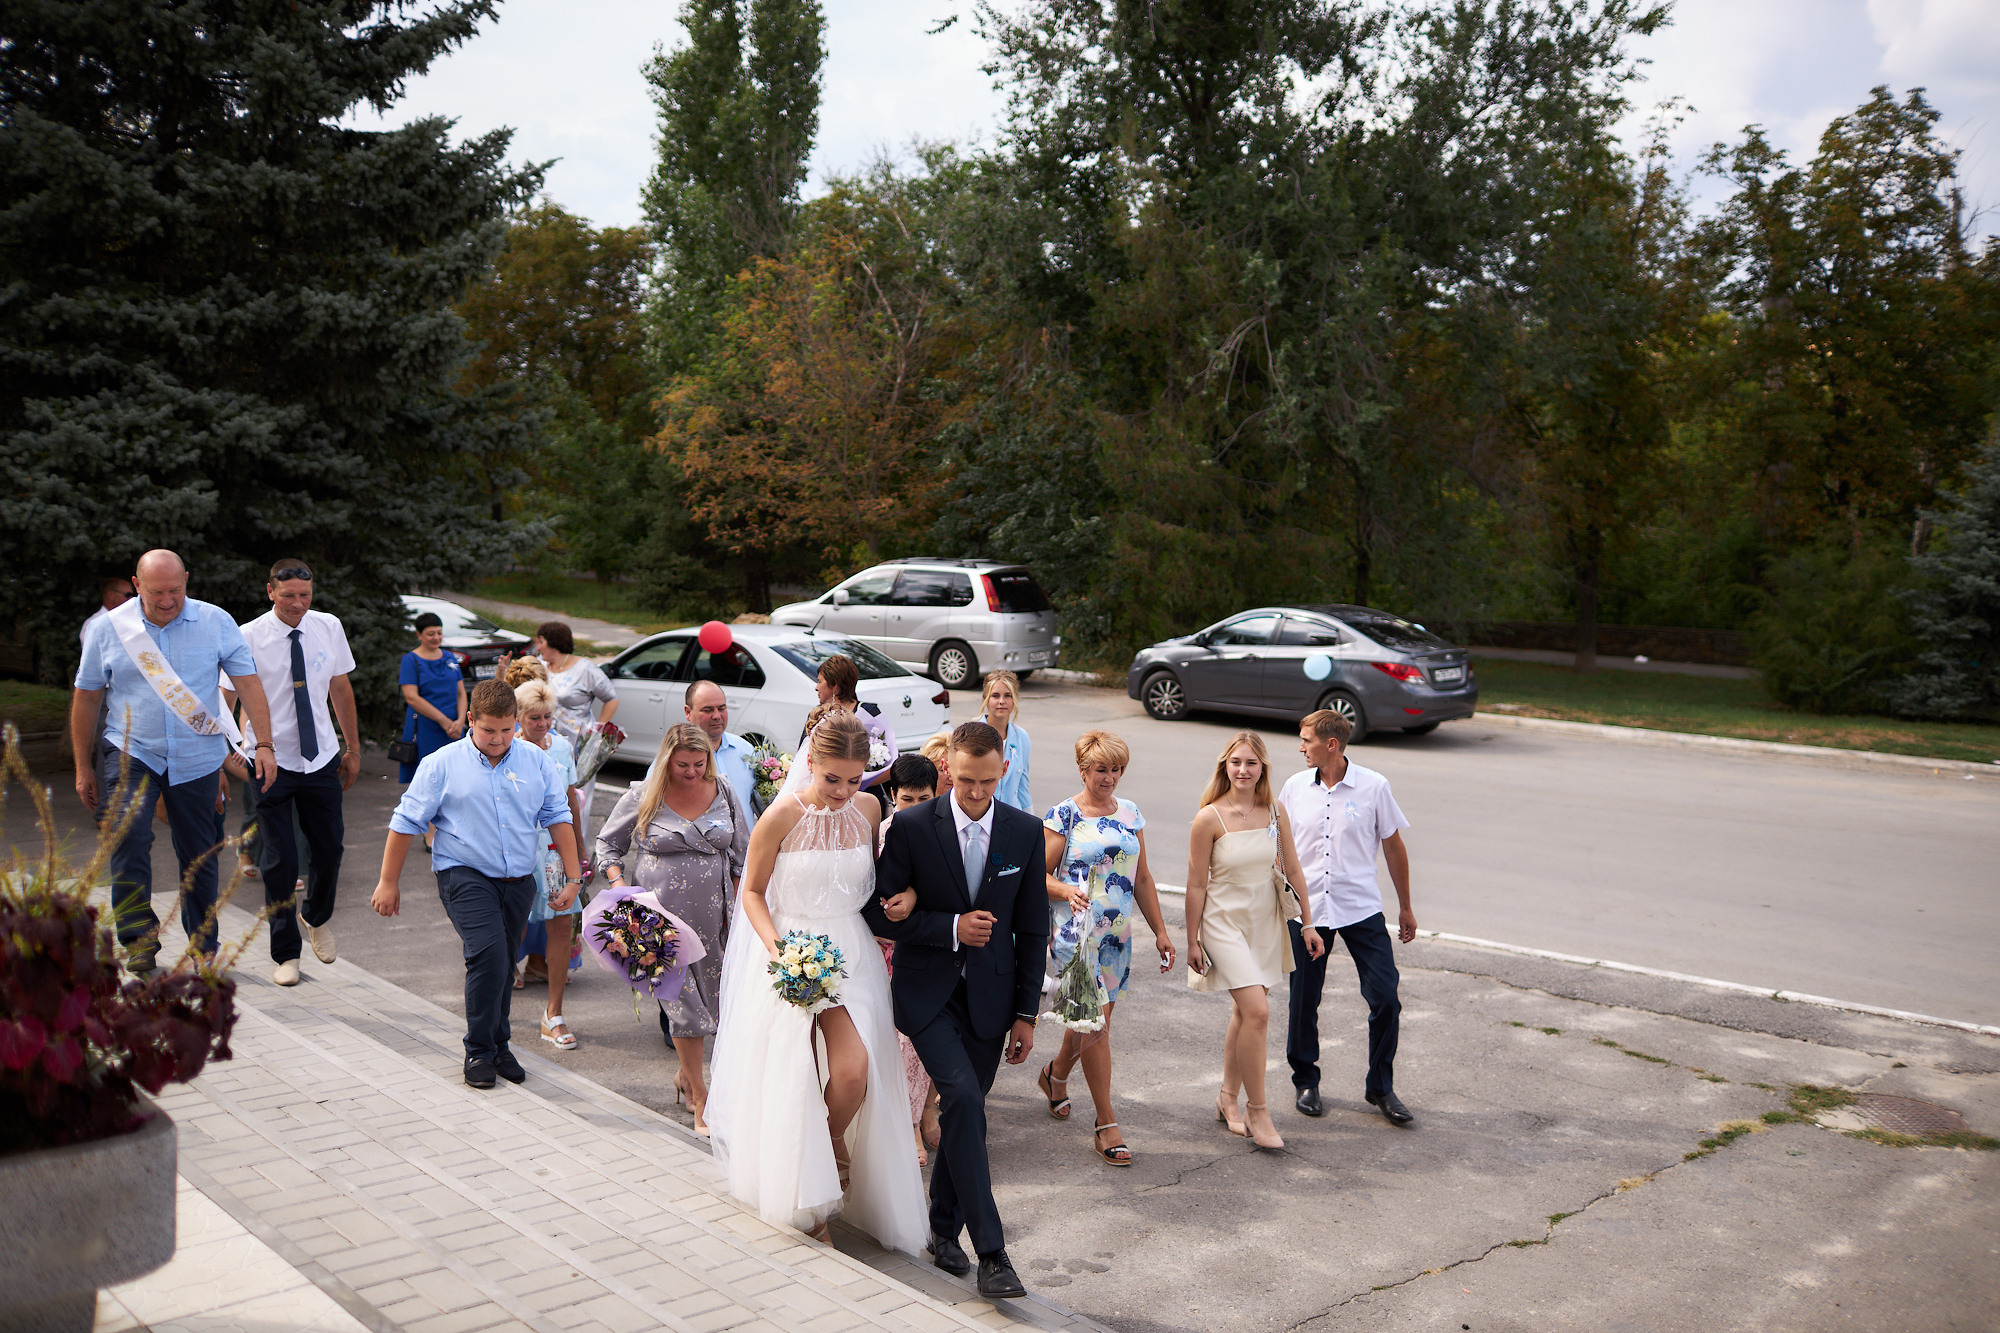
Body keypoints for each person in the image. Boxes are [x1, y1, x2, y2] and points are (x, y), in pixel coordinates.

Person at [706, 714, 928, 1254]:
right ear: (811, 763)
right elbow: (753, 893)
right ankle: (808, 1204)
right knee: (795, 1076)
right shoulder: (781, 815)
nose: (843, 792)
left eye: (855, 780)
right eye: (833, 779)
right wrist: (780, 951)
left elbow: (892, 881)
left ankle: (829, 1147)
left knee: (854, 1070)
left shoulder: (871, 810)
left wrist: (912, 898)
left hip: (852, 951)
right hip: (791, 952)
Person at [864, 721, 1047, 1300]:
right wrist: (949, 928)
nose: (975, 793)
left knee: (966, 1111)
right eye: (966, 780)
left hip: (993, 1004)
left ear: (1004, 772)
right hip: (925, 996)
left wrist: (1026, 1013)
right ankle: (993, 1253)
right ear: (950, 771)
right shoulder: (915, 826)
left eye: (987, 782)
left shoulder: (1023, 831)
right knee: (963, 1099)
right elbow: (878, 913)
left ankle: (942, 1231)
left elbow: (1032, 927)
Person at [70, 551, 276, 972]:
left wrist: (265, 745)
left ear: (187, 579)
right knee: (128, 839)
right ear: (136, 584)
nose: (167, 600)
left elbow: (248, 683)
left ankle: (203, 944)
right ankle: (138, 940)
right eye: (156, 592)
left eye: (175, 590)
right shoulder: (109, 629)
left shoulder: (215, 621)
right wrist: (82, 765)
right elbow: (88, 696)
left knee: (199, 852)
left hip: (197, 755)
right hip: (131, 749)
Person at [371, 680, 581, 1089]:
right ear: (471, 720)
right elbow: (404, 823)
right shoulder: (441, 764)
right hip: (463, 873)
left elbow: (559, 816)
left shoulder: (535, 762)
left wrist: (573, 878)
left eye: (507, 729)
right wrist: (387, 882)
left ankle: (500, 1046)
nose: (499, 739)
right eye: (489, 730)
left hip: (519, 879)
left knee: (503, 963)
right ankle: (479, 1051)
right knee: (488, 955)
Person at [597, 724, 751, 1135]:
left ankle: (687, 1077)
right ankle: (702, 1096)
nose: (692, 772)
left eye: (700, 764)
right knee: (685, 1011)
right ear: (667, 760)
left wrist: (740, 909)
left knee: (716, 1008)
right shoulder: (643, 794)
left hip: (715, 919)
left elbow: (742, 855)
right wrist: (618, 887)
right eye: (683, 764)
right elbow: (608, 845)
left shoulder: (724, 790)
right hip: (658, 924)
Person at [1036, 730, 1173, 1166]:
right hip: (1076, 937)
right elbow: (1035, 877)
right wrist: (1063, 890)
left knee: (1091, 1022)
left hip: (1117, 937)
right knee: (1095, 1026)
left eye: (1116, 769)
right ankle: (1106, 1122)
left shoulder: (1131, 813)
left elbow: (1144, 879)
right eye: (1101, 769)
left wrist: (1161, 932)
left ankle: (1055, 1075)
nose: (1109, 777)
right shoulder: (1064, 815)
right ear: (1083, 770)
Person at [1185, 730, 1325, 1151]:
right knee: (1259, 1012)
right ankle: (1258, 1110)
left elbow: (1295, 872)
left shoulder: (1274, 811)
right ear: (1224, 766)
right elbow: (1195, 886)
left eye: (1251, 762)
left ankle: (1227, 1096)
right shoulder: (1209, 817)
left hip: (1264, 921)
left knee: (1245, 1014)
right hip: (1223, 923)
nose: (1243, 770)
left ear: (1262, 767)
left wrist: (1308, 924)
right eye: (1235, 762)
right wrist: (1191, 940)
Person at [1280, 709, 1418, 1126]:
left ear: (1332, 745)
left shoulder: (1374, 787)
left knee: (1386, 999)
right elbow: (1278, 849)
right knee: (1304, 999)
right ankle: (1306, 1080)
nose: (1301, 747)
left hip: (1360, 908)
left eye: (1307, 740)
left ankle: (1380, 1086)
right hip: (1308, 912)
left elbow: (1394, 848)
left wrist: (1405, 905)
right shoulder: (1293, 788)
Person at [233, 559, 360, 987]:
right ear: (270, 591)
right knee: (280, 860)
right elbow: (226, 696)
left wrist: (353, 747)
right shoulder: (248, 636)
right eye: (288, 596)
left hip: (320, 756)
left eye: (305, 596)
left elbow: (340, 689)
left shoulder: (328, 626)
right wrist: (232, 750)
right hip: (270, 760)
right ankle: (286, 954)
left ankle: (316, 916)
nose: (297, 604)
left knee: (329, 849)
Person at [877, 753, 943, 1167]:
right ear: (890, 795)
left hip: (935, 945)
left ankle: (927, 1107)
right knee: (903, 1042)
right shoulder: (882, 835)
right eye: (907, 799)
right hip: (889, 949)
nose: (916, 807)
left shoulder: (946, 831)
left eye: (925, 798)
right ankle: (909, 1123)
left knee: (932, 1042)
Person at [513, 679, 586, 1048]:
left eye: (547, 717)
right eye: (534, 717)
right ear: (518, 717)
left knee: (561, 928)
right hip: (518, 851)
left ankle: (553, 1013)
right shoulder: (506, 748)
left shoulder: (561, 747)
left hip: (557, 851)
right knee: (514, 928)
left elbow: (571, 801)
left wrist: (581, 851)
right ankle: (493, 1008)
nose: (542, 724)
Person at [536, 620, 618, 828]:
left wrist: (598, 730)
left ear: (553, 642)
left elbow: (611, 698)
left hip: (578, 748)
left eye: (541, 641)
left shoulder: (586, 669)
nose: (538, 647)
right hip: (544, 744)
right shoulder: (540, 666)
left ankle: (579, 853)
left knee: (576, 801)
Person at [397, 611, 466, 799]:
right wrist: (444, 721)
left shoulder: (450, 658)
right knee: (428, 782)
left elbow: (461, 692)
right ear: (419, 635)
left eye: (439, 633)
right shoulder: (411, 660)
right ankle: (429, 828)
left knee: (457, 779)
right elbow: (412, 698)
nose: (436, 638)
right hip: (425, 728)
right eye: (430, 634)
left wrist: (460, 720)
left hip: (454, 728)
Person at [801, 655, 894, 787]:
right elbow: (805, 755)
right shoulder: (818, 715)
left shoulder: (868, 712)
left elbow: (891, 762)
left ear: (835, 686)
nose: (816, 687)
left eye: (820, 681)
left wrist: (857, 783)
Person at [673, 680, 759, 822]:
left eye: (721, 708)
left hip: (746, 844)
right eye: (708, 710)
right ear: (688, 712)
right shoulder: (675, 757)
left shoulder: (745, 750)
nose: (717, 716)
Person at [979, 670, 1033, 813]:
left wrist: (1032, 822)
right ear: (986, 699)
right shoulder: (972, 735)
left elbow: (1023, 786)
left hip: (1013, 818)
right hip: (981, 816)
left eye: (1007, 696)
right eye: (995, 696)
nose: (1001, 701)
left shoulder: (1022, 737)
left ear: (1014, 699)